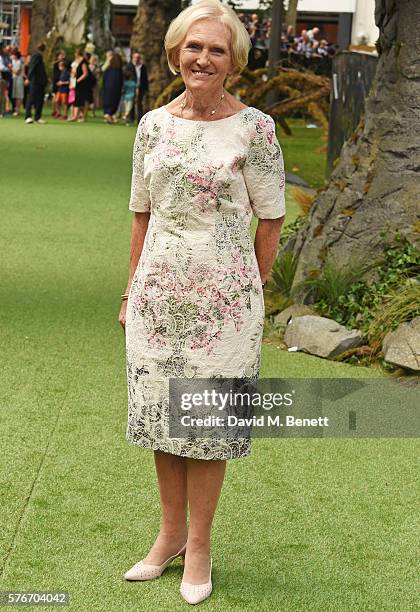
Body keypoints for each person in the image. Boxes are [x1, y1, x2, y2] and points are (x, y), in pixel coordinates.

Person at [118, 0, 285, 605]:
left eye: (217, 49)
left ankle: (202, 546)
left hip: (224, 306)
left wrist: (250, 293)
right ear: (175, 53)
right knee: (163, 421)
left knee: (207, 425)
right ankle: (167, 539)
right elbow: (142, 213)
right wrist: (131, 288)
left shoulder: (255, 129)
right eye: (194, 47)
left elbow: (271, 220)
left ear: (233, 60)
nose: (204, 58)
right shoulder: (153, 127)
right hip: (157, 298)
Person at [25, 42, 48, 124]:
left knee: (39, 100)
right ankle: (28, 116)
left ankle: (37, 117)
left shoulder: (39, 56)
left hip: (40, 82)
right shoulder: (36, 56)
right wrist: (28, 78)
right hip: (35, 82)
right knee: (31, 99)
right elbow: (32, 67)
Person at [102, 51, 123, 123]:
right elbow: (121, 80)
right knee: (114, 100)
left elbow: (103, 71)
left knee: (107, 99)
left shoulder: (108, 68)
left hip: (108, 86)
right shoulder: (119, 69)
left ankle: (108, 114)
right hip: (116, 88)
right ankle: (110, 115)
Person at [10, 50, 24, 116]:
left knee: (19, 95)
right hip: (13, 79)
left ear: (16, 55)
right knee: (14, 95)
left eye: (13, 55)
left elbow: (17, 72)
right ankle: (15, 109)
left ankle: (17, 110)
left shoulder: (19, 62)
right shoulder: (12, 61)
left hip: (19, 80)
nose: (12, 56)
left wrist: (11, 68)